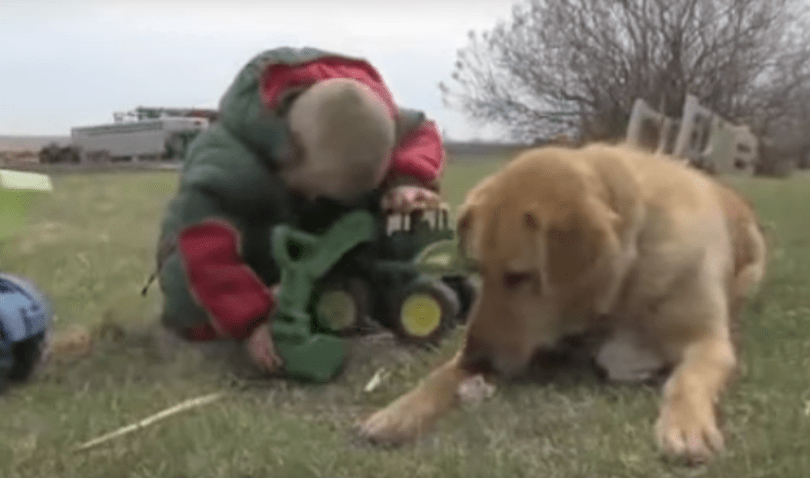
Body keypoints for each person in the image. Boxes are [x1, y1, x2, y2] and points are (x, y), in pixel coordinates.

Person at [151, 46, 447, 375]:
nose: (320, 198)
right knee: (188, 296)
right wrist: (250, 322)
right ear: (289, 152)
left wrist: (407, 180)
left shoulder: (374, 116)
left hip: (300, 239)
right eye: (317, 190)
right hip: (216, 254)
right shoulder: (228, 161)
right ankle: (241, 312)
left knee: (367, 229)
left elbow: (421, 132)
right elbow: (207, 255)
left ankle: (322, 294)